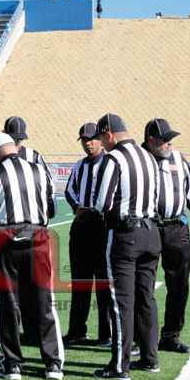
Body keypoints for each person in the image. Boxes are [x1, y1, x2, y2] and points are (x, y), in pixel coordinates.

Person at [0, 133, 63, 380]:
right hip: (39, 238)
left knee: (7, 303)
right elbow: (52, 209)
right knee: (45, 301)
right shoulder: (39, 170)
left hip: (7, 241)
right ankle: (53, 364)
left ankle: (12, 365)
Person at [91, 113, 162, 380]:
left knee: (121, 301)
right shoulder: (148, 156)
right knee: (146, 298)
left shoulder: (114, 159)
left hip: (125, 234)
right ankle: (150, 358)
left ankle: (120, 366)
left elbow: (102, 203)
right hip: (151, 232)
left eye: (101, 138)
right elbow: (155, 197)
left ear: (109, 133)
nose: (101, 143)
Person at [0, 116, 51, 344]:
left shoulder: (34, 156)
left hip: (20, 228)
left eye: (19, 139)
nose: (16, 142)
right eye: (13, 138)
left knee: (30, 284)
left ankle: (31, 331)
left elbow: (47, 190)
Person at [141, 119, 190, 354]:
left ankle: (171, 335)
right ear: (151, 141)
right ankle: (142, 339)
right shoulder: (139, 159)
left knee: (179, 284)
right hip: (147, 227)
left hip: (176, 228)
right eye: (165, 139)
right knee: (143, 285)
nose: (170, 143)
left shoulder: (179, 159)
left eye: (171, 139)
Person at [63, 123, 112, 347]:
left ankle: (106, 334)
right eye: (84, 140)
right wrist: (77, 207)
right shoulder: (79, 165)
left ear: (100, 139)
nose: (87, 144)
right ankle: (76, 331)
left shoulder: (111, 163)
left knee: (104, 284)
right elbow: (69, 190)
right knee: (80, 282)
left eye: (91, 139)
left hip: (102, 228)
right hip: (81, 228)